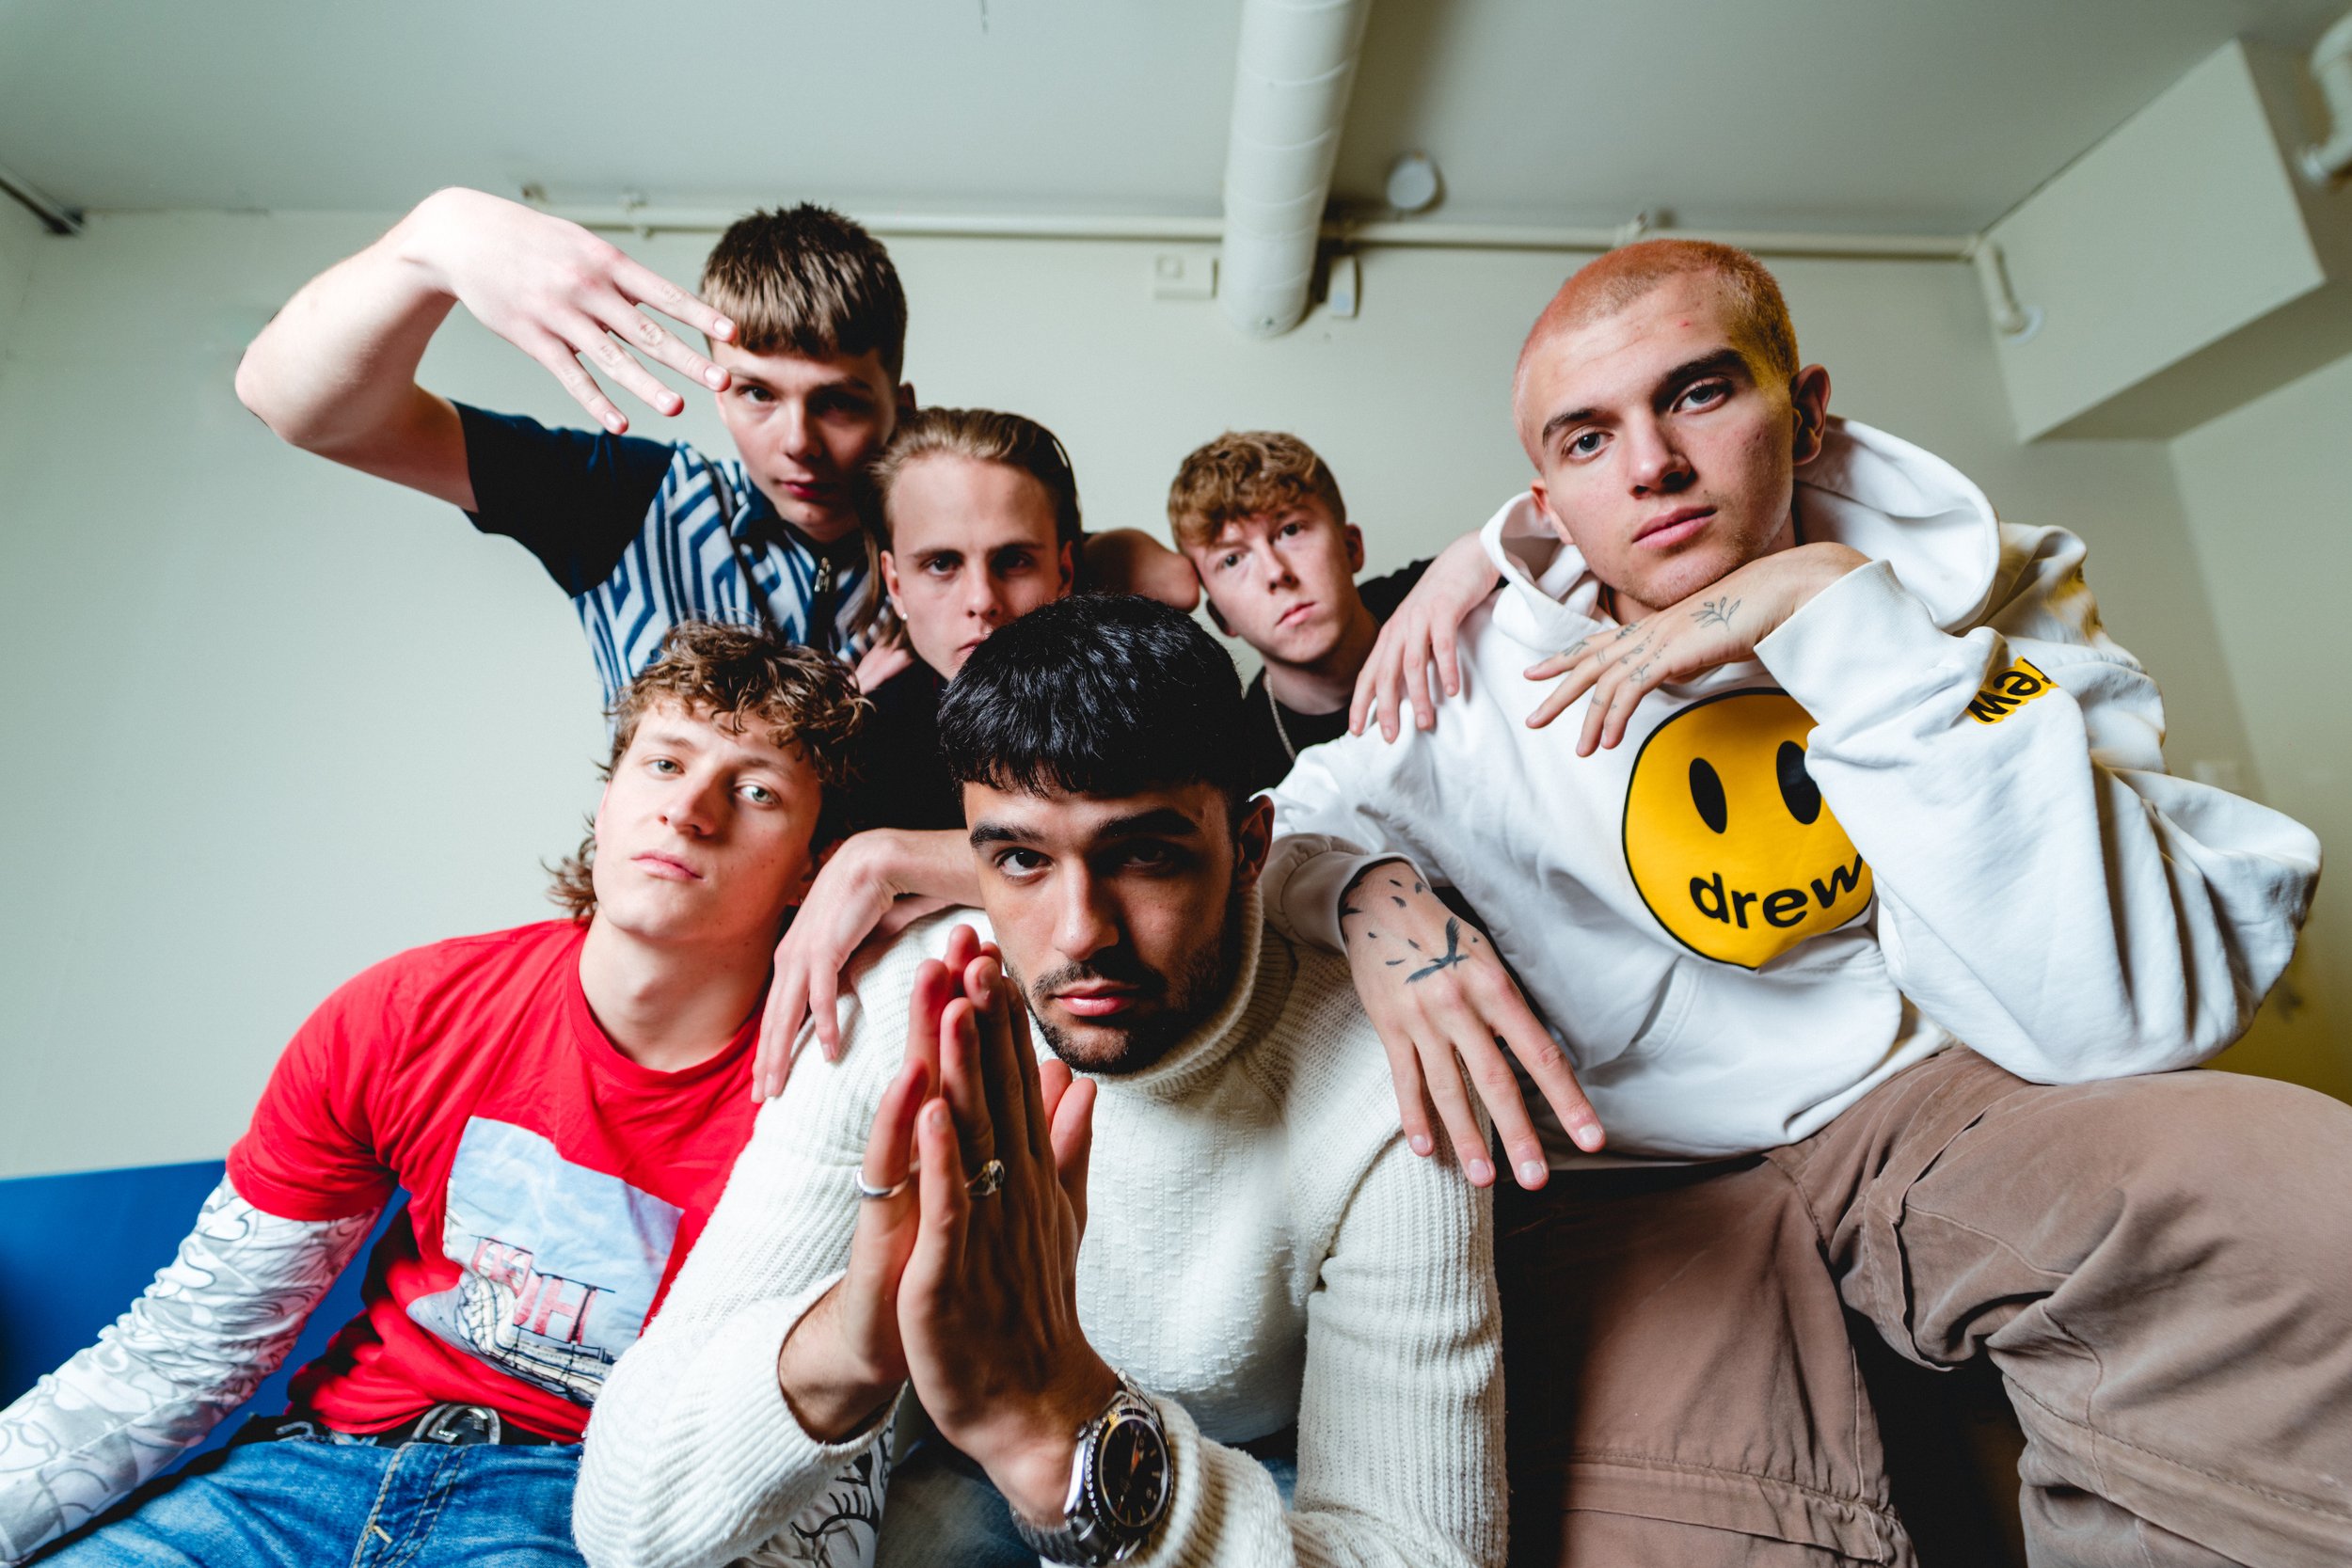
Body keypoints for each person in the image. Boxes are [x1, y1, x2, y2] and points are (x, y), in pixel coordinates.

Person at [1262, 239, 2347, 1566]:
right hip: (1631, 1173)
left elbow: (2119, 1015)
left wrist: (1838, 611)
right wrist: (1374, 900)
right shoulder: (1469, 662)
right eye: (1589, 438)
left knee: (2289, 1196)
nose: (1652, 465)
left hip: (1935, 1097)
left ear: (1808, 408)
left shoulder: (1982, 590)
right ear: (1545, 495)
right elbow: (1290, 825)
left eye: (1699, 392)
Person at [573, 594, 1504, 1568]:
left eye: (1145, 854)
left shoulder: (1386, 1073)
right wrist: (852, 1338)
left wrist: (1059, 1424)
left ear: (1250, 847)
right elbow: (625, 1519)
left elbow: (1423, 1552)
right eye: (1020, 859)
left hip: (1227, 1472)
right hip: (959, 1465)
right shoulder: (911, 1001)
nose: (1079, 932)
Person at [0, 624, 882, 1568]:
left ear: (815, 868)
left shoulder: (833, 1099)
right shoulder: (408, 1012)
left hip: (578, 1515)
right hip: (310, 1473)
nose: (689, 810)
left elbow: (824, 1438)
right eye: (663, 763)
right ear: (608, 797)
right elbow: (188, 1349)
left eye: (755, 790)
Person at [233, 189, 1189, 703]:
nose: (799, 443)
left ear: (899, 406)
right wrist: (434, 240)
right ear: (715, 386)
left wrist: (1108, 561)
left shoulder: (958, 540)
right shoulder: (624, 500)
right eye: (757, 394)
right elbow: (296, 405)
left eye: (838, 403)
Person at [1167, 429, 1464, 794]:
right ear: (1221, 618)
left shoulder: (1443, 591)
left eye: (1290, 530)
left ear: (1351, 548)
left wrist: (1478, 550)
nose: (1275, 572)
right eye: (1232, 560)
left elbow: (1527, 537)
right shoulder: (1242, 768)